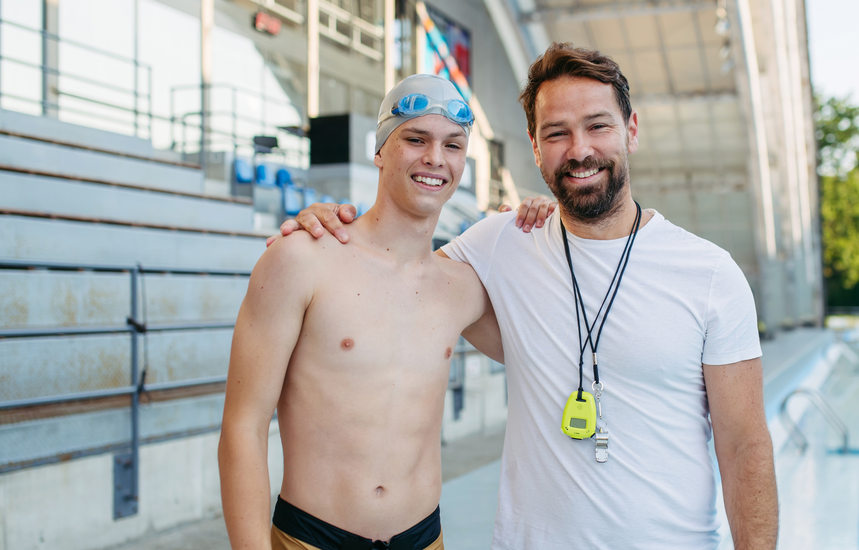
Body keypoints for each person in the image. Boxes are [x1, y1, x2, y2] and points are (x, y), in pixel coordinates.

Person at [277, 43, 778, 549]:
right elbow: (396, 270)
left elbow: (744, 447)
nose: (579, 149)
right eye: (556, 133)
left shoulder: (709, 274)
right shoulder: (503, 242)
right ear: (536, 149)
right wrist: (330, 227)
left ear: (631, 130)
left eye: (598, 126)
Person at [218, 74, 552, 550]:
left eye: (453, 145)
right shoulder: (302, 258)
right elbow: (242, 427)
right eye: (415, 139)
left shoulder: (462, 285)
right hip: (313, 538)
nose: (435, 158)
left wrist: (540, 232)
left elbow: (551, 346)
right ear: (379, 150)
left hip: (424, 538)